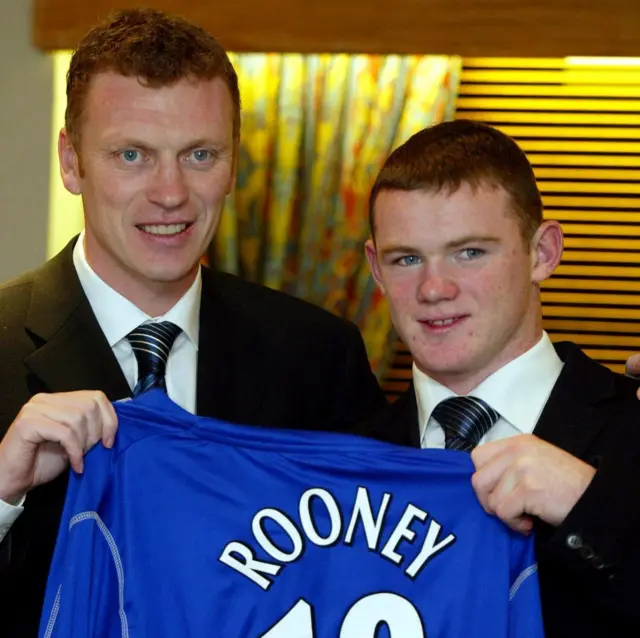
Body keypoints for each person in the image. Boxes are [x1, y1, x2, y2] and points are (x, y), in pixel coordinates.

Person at [0, 8, 385, 635]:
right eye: (132, 155)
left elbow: (378, 575)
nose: (171, 192)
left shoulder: (320, 356)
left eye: (200, 154)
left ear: (234, 162)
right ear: (72, 163)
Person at [362, 119, 640, 637]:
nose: (434, 288)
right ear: (376, 268)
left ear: (543, 253)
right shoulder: (342, 453)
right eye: (407, 259)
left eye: (470, 252)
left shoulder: (634, 428)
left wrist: (592, 509)